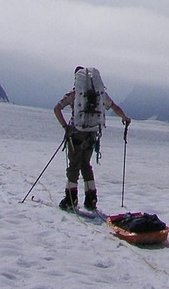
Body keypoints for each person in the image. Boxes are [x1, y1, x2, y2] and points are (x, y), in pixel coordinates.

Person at [53, 65, 130, 212]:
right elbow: (113, 106)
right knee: (86, 164)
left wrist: (65, 127)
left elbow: (57, 109)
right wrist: (125, 118)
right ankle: (91, 198)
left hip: (76, 133)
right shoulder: (100, 95)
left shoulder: (74, 95)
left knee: (74, 165)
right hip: (93, 133)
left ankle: (71, 198)